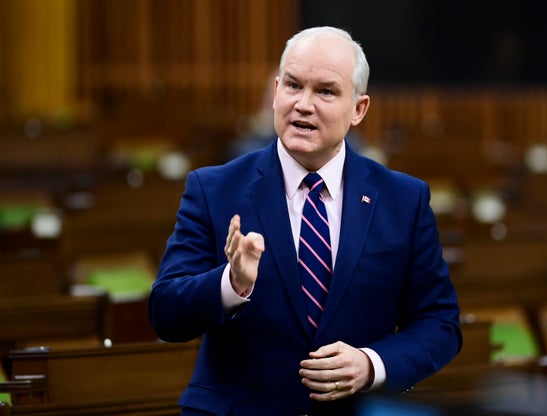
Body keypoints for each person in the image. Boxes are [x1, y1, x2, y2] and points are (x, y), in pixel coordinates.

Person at [148, 26, 462, 416]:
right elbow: (165, 313)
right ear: (276, 92)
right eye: (294, 86)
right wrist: (231, 284)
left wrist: (371, 365)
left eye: (326, 91)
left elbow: (439, 322)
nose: (303, 104)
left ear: (359, 109)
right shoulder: (213, 188)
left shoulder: (404, 199)